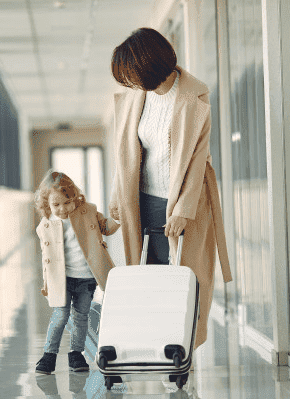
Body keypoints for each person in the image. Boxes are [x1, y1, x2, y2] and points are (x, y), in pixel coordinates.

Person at [108, 27, 233, 349]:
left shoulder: (194, 96)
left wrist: (183, 210)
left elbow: (197, 159)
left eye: (131, 74)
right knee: (147, 275)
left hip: (181, 199)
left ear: (148, 65)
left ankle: (181, 347)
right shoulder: (135, 98)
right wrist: (116, 195)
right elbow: (124, 153)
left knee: (183, 276)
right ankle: (156, 340)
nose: (129, 82)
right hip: (143, 198)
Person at [34, 170, 120, 374]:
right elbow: (47, 258)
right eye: (56, 205)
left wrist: (121, 217)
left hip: (86, 278)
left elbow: (105, 227)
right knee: (60, 315)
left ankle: (76, 354)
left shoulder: (88, 211)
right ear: (48, 205)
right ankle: (49, 355)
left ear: (74, 198)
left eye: (67, 202)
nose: (62, 209)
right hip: (62, 279)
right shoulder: (46, 225)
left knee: (81, 316)